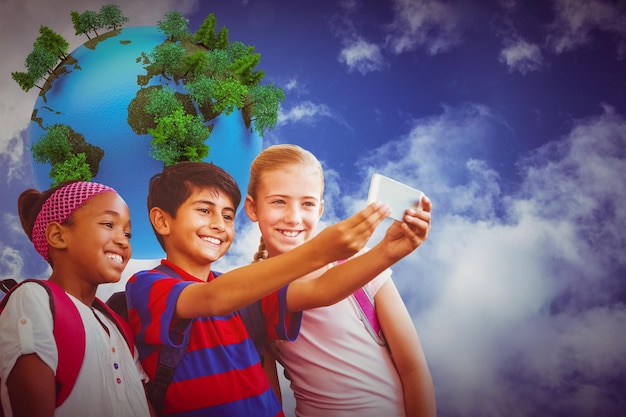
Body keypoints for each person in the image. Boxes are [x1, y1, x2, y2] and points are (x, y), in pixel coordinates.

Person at [125, 161, 393, 417]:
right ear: (162, 220)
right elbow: (212, 298)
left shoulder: (246, 289)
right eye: (205, 210)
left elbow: (322, 290)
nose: (220, 224)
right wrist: (319, 250)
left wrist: (389, 251)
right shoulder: (147, 285)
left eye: (228, 216)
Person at [244, 144, 436, 417]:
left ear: (320, 209)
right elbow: (270, 400)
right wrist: (385, 252)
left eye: (307, 203)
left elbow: (413, 368)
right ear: (252, 208)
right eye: (278, 201)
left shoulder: (362, 264)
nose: (293, 217)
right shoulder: (251, 290)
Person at [0, 180, 153, 417]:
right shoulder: (34, 299)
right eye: (108, 224)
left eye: (127, 233)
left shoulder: (119, 327)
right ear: (58, 236)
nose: (124, 241)